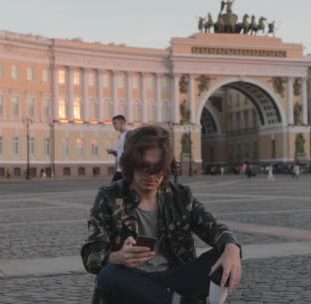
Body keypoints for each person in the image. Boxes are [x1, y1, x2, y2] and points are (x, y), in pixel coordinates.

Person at [81, 126, 242, 304]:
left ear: (166, 167)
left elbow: (215, 229)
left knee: (227, 255)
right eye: (144, 166)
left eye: (157, 167)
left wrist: (232, 247)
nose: (151, 174)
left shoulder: (180, 196)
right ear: (131, 164)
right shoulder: (109, 196)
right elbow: (91, 256)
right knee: (109, 274)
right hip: (132, 281)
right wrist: (117, 256)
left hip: (174, 279)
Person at [107, 115, 129, 183]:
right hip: (119, 169)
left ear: (122, 122)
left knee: (115, 189)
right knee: (115, 189)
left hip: (125, 170)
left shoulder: (128, 135)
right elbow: (122, 152)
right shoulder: (121, 135)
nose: (114, 126)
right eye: (113, 124)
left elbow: (131, 151)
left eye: (115, 123)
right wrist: (114, 152)